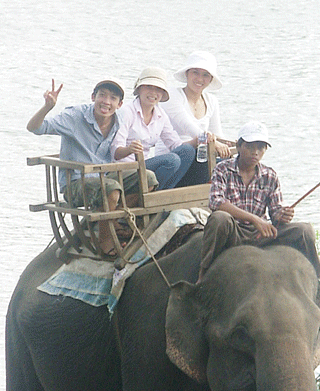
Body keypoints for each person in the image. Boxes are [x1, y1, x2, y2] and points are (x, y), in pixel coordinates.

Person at [27, 78, 157, 254]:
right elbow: (35, 128)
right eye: (102, 95)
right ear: (93, 97)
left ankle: (114, 220)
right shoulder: (74, 116)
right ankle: (104, 242)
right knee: (111, 188)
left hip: (103, 178)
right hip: (76, 183)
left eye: (112, 98)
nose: (106, 102)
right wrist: (47, 107)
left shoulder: (119, 119)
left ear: (119, 104)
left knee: (148, 178)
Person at [198, 120, 320, 280]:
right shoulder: (222, 169)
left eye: (260, 148)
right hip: (234, 231)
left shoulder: (269, 175)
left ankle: (317, 281)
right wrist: (254, 219)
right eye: (250, 147)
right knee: (219, 218)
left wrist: (282, 214)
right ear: (239, 147)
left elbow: (275, 210)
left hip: (262, 233)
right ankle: (204, 272)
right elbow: (216, 202)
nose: (255, 152)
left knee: (304, 230)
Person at [157, 50, 233, 185]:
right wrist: (214, 143)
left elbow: (217, 135)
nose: (199, 79)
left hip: (200, 158)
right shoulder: (172, 95)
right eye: (195, 73)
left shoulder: (212, 101)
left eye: (205, 75)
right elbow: (189, 127)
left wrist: (230, 146)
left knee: (232, 162)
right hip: (173, 160)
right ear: (187, 74)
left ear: (210, 80)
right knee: (189, 152)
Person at [112, 67, 196, 189]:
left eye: (158, 89)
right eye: (149, 87)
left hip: (144, 167)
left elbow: (175, 144)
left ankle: (160, 193)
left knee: (188, 151)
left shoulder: (161, 115)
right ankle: (152, 194)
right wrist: (130, 149)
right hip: (125, 169)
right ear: (140, 89)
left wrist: (197, 141)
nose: (153, 93)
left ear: (162, 94)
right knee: (171, 160)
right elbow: (115, 152)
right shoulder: (127, 112)